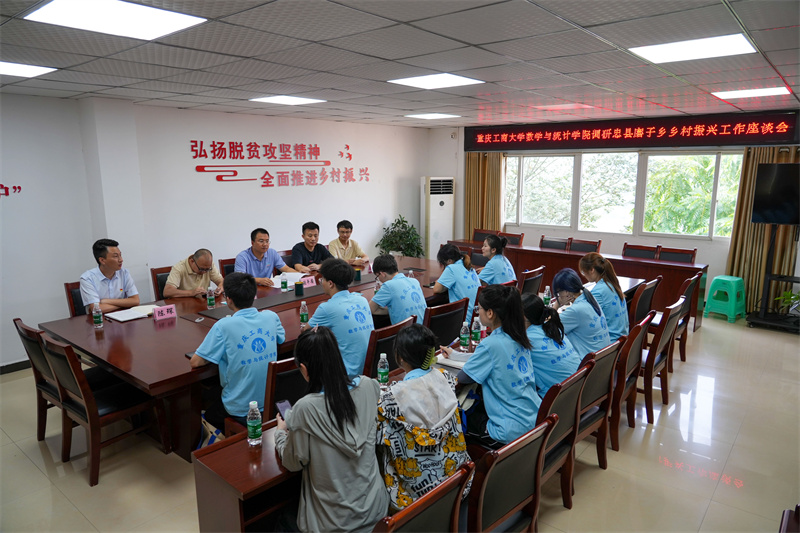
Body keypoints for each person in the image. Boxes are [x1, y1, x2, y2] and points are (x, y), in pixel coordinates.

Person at [274, 326, 388, 533]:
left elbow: (292, 462)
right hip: (376, 513)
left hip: (333, 525)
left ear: (304, 369)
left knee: (280, 520)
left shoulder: (305, 408)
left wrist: (281, 434)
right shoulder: (368, 386)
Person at [377, 324, 471, 511]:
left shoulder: (392, 398)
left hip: (415, 497)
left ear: (400, 358)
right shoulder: (446, 378)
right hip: (458, 482)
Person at [442, 285, 540, 449]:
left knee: (458, 418)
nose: (477, 311)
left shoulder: (490, 344)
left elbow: (463, 377)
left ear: (490, 313)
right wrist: (456, 355)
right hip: (532, 418)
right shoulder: (518, 335)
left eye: (479, 308)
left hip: (507, 432)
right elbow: (492, 358)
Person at [189, 272, 285, 430]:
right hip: (270, 400)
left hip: (240, 409)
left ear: (228, 299)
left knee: (208, 408)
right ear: (254, 295)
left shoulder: (223, 326)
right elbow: (281, 338)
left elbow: (196, 362)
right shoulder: (271, 316)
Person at [308, 258, 374, 378]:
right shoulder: (362, 300)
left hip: (347, 375)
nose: (321, 283)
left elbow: (306, 331)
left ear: (330, 283)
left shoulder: (326, 308)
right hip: (370, 368)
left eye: (322, 279)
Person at [521, 293, 580, 399]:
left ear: (524, 317)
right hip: (580, 389)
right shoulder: (552, 328)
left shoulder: (527, 340)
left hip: (560, 399)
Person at [551, 268, 611, 359]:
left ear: (566, 292)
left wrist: (556, 305)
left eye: (559, 293)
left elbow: (549, 327)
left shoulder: (576, 310)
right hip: (603, 359)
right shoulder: (590, 299)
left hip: (589, 362)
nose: (559, 296)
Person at [79, 238, 140, 313]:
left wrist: (106, 301)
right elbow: (97, 309)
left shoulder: (124, 273)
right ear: (102, 260)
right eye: (115, 256)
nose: (121, 260)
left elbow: (135, 301)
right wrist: (124, 304)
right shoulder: (87, 278)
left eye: (120, 255)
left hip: (123, 317)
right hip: (100, 319)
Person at [579, 252, 630, 340]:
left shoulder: (598, 291)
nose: (584, 276)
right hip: (621, 338)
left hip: (610, 342)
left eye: (583, 272)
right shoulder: (611, 283)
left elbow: (585, 319)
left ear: (592, 270)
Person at [369, 254, 427, 325]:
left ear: (382, 274)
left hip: (406, 331)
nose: (379, 279)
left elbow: (371, 308)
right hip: (424, 329)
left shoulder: (388, 286)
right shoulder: (414, 281)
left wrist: (392, 310)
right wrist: (394, 309)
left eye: (377, 276)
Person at [433, 244, 481, 312]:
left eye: (443, 263)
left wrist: (441, 282)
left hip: (465, 315)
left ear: (449, 261)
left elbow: (436, 289)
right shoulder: (468, 265)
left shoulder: (451, 268)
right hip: (477, 314)